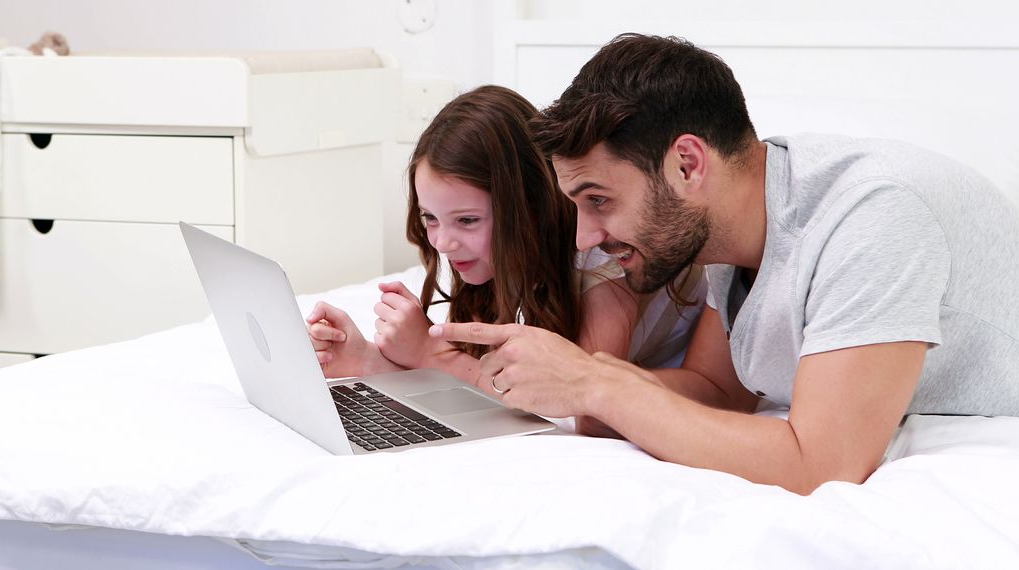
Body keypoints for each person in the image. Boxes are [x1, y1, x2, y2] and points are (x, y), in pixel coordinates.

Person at [429, 34, 1019, 494]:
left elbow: (823, 465)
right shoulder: (724, 231)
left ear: (687, 164)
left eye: (599, 200)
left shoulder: (873, 216)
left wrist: (598, 382)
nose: (584, 237)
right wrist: (570, 386)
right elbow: (716, 391)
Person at [306, 85, 705, 433]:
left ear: (527, 210)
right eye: (431, 217)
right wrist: (372, 361)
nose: (444, 242)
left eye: (467, 220)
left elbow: (577, 411)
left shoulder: (605, 264)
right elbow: (485, 374)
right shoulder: (492, 255)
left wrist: (429, 355)